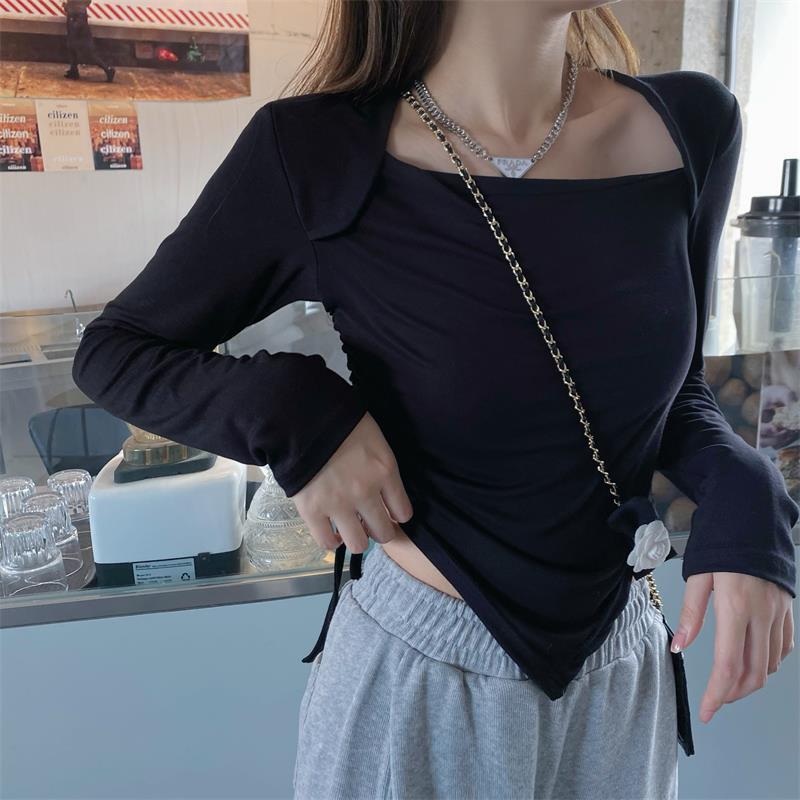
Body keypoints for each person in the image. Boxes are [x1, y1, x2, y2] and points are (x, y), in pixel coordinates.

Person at [70, 1, 798, 798]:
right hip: (421, 688)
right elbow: (117, 352)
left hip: (622, 675)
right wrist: (300, 413)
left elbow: (671, 393)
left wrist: (742, 480)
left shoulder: (692, 125)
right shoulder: (316, 149)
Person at [62, 0, 115, 82]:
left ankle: (108, 69)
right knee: (71, 46)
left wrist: (69, 7)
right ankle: (73, 70)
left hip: (77, 17)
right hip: (77, 16)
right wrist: (68, 7)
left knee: (87, 52)